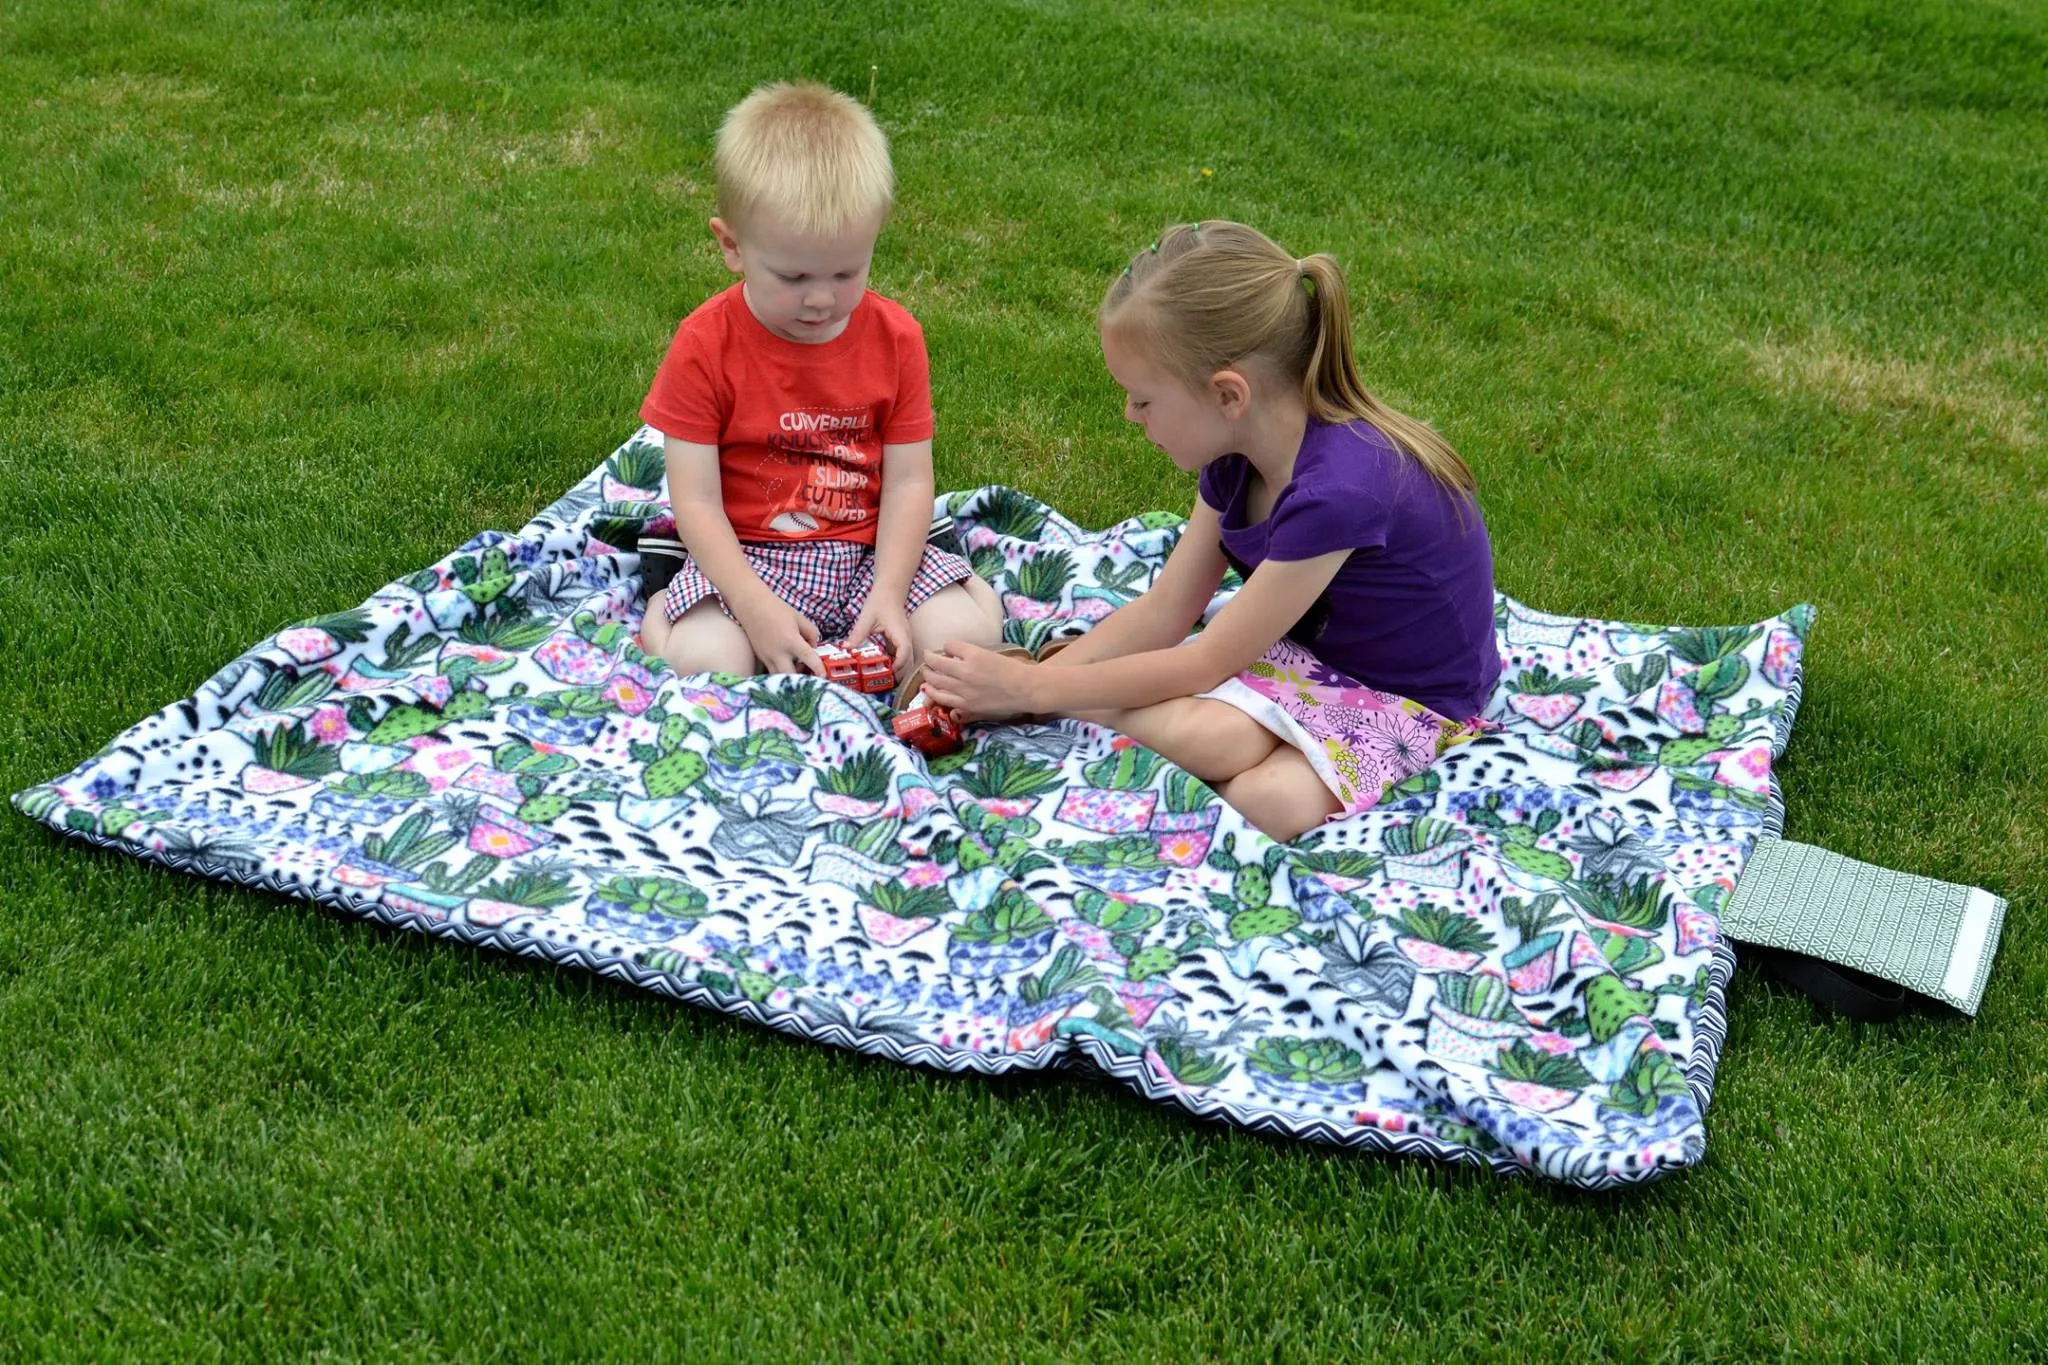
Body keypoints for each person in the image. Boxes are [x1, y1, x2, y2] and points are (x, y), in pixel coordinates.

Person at [918, 221, 1501, 842]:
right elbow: (1168, 609)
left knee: (1259, 798)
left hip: (1408, 699)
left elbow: (1206, 661)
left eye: (1142, 400)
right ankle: (1065, 688)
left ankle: (1065, 693)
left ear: (1228, 395)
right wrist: (1028, 675)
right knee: (1214, 743)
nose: (1129, 415)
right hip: (1309, 664)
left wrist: (1029, 689)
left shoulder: (1341, 493)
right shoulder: (1236, 459)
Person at [636, 81, 1002, 680]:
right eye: (795, 274)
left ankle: (977, 598)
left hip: (868, 554)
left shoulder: (897, 339)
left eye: (846, 270)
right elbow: (696, 500)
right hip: (749, 558)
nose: (822, 298)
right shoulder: (705, 345)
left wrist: (889, 593)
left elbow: (910, 482)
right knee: (711, 669)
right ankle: (661, 615)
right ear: (732, 246)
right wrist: (755, 609)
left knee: (961, 644)